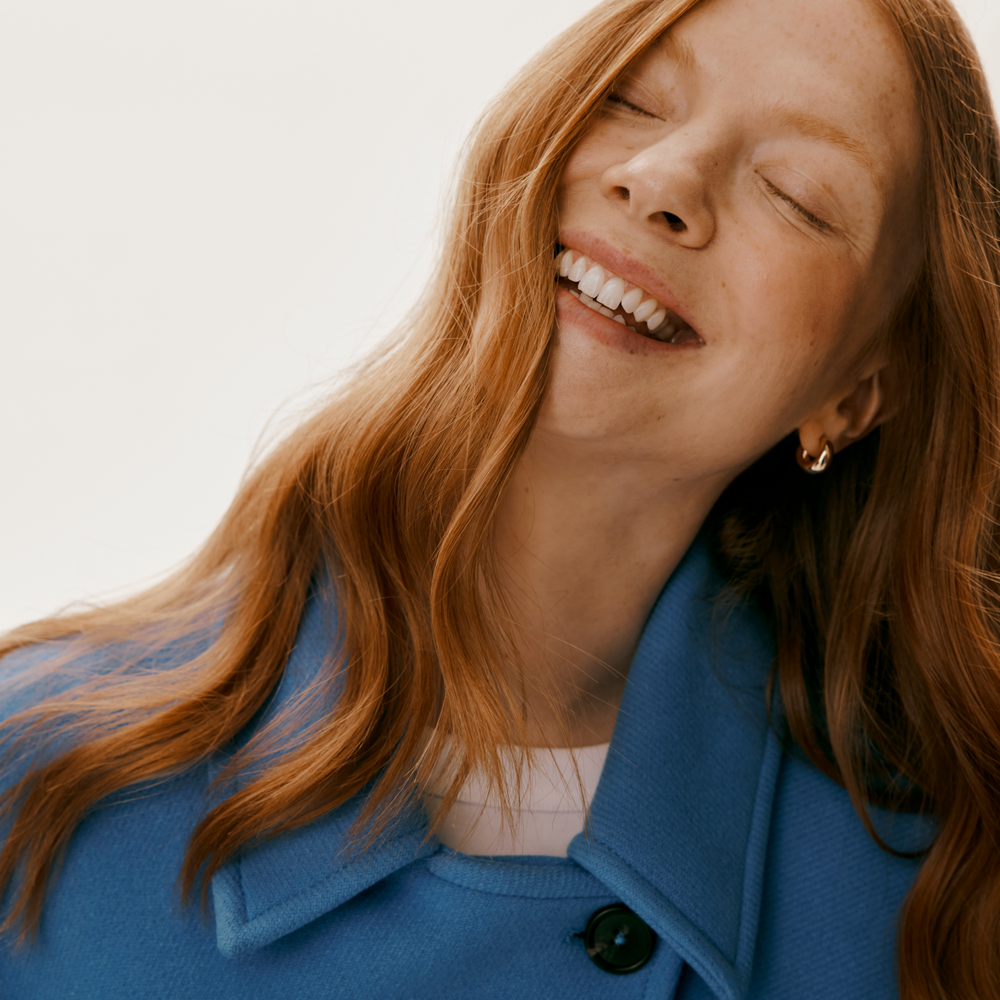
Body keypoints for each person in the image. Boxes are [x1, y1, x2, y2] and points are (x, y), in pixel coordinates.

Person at [1, 0, 998, 996]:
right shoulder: (37, 783)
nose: (660, 182)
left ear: (858, 394)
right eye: (630, 100)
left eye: (795, 195)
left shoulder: (941, 898)